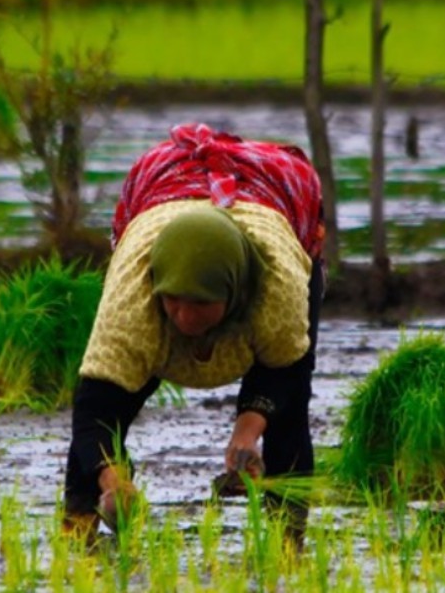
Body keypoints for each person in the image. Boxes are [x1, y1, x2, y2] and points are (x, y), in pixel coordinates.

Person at [62, 122, 325, 541]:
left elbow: (286, 372)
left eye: (201, 303)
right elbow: (93, 412)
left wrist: (248, 429)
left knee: (288, 419)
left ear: (233, 292)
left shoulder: (278, 286)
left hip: (269, 211)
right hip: (162, 202)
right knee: (108, 420)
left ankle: (288, 541)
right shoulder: (134, 301)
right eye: (175, 301)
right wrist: (113, 480)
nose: (184, 317)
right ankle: (77, 534)